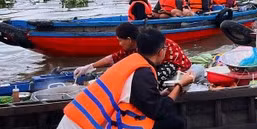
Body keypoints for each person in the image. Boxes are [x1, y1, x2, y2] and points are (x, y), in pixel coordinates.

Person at [58, 29, 189, 129]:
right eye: (165, 48)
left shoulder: (132, 61)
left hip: (78, 121)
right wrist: (180, 85)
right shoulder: (142, 72)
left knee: (169, 119)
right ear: (161, 52)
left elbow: (140, 98)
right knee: (175, 123)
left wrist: (165, 93)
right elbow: (158, 111)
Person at [71, 22, 205, 87]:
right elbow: (114, 58)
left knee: (148, 79)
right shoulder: (136, 45)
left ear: (129, 40)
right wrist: (90, 66)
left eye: (120, 41)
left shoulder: (147, 44)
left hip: (177, 68)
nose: (119, 44)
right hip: (159, 66)